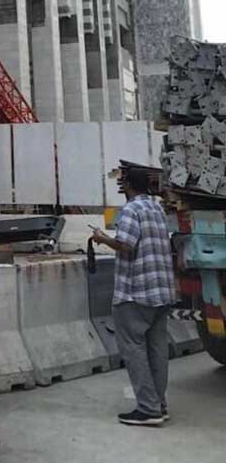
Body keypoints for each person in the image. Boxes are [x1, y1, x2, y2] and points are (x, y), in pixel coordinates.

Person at [92, 166, 176, 426]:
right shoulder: (157, 209)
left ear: (128, 186)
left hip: (136, 293)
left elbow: (126, 245)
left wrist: (103, 238)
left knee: (133, 348)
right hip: (161, 290)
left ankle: (148, 409)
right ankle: (159, 404)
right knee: (157, 349)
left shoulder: (131, 210)